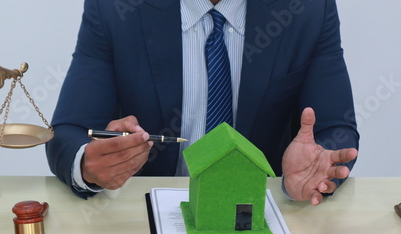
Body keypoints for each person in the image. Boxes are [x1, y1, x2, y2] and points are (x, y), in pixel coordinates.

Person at [46, 0, 359, 206]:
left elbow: (336, 130)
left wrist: (313, 174)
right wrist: (88, 164)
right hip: (146, 222)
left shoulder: (307, 9)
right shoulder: (115, 8)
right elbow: (69, 132)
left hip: (261, 214)